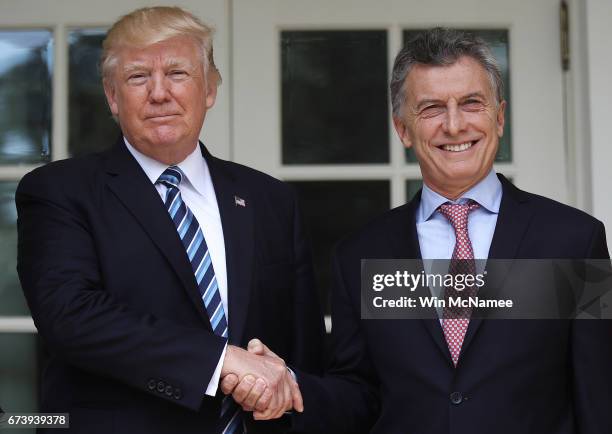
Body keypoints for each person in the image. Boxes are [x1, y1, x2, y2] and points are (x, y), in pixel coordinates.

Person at [223, 28, 612, 433]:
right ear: (403, 129)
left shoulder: (574, 241)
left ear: (499, 117)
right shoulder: (361, 255)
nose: (455, 124)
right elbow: (360, 395)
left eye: (471, 103)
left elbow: (599, 397)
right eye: (431, 108)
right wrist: (292, 387)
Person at [15, 6, 324, 434]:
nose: (159, 93)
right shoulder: (59, 192)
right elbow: (72, 317)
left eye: (178, 73)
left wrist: (285, 383)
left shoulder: (270, 199)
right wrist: (221, 361)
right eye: (138, 77)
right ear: (112, 96)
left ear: (210, 89)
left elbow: (305, 349)